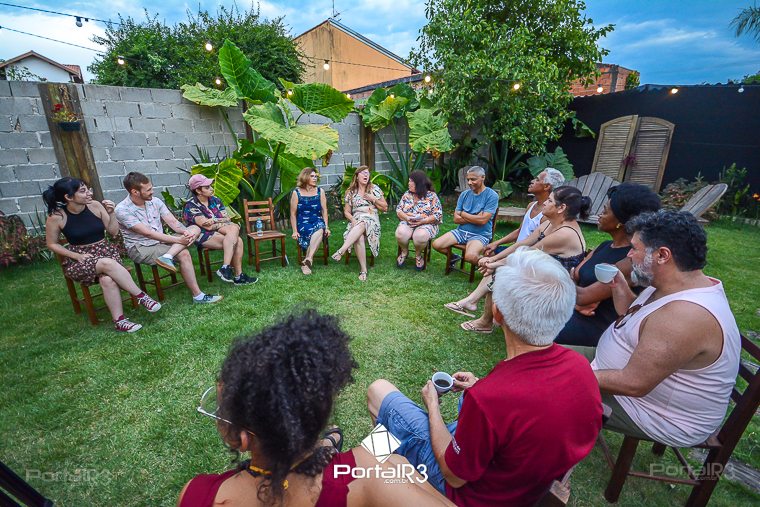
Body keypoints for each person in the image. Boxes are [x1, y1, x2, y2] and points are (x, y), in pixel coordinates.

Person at [367, 248, 602, 506]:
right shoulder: (581, 367)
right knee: (431, 417)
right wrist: (479, 387)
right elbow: (525, 409)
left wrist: (433, 406)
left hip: (467, 494)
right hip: (520, 481)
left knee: (378, 392)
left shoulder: (489, 400)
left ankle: (382, 466)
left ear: (497, 313)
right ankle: (387, 459)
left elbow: (454, 475)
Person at [178, 310, 454, 507]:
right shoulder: (367, 472)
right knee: (393, 460)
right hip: (360, 472)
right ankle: (328, 446)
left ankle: (329, 445)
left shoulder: (196, 495)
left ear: (240, 439)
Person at [591, 210, 741, 447]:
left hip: (654, 414)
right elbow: (640, 320)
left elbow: (634, 383)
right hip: (615, 373)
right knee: (542, 357)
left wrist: (571, 374)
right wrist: (619, 287)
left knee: (548, 386)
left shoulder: (686, 315)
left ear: (662, 255)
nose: (629, 255)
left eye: (635, 248)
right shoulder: (674, 283)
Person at [457, 185, 590, 333]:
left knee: (500, 272)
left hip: (556, 287)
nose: (545, 203)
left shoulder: (565, 234)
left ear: (561, 208)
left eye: (550, 201)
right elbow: (523, 243)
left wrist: (494, 264)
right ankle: (479, 310)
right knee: (499, 270)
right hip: (544, 275)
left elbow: (526, 253)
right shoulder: (549, 223)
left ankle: (483, 316)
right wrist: (494, 260)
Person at [42, 177, 161, 332]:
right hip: (80, 258)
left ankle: (120, 322)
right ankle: (142, 297)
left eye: (88, 189)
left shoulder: (95, 206)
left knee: (107, 279)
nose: (89, 193)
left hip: (105, 250)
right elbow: (52, 244)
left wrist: (111, 213)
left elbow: (113, 232)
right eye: (83, 191)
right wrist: (75, 256)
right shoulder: (57, 216)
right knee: (107, 263)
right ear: (69, 197)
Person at [443, 168, 564, 317]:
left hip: (527, 256)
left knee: (493, 263)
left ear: (547, 186)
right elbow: (519, 231)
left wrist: (499, 258)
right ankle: (483, 298)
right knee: (489, 253)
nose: (532, 181)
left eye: (537, 179)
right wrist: (496, 243)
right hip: (517, 249)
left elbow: (533, 245)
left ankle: (475, 301)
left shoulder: (547, 215)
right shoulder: (531, 205)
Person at [555, 183, 661, 348]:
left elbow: (583, 296)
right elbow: (574, 275)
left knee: (530, 326)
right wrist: (575, 300)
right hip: (572, 312)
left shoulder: (631, 259)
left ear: (621, 221)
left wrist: (575, 294)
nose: (599, 214)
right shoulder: (604, 246)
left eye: (605, 211)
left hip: (595, 328)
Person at [114, 172, 222, 304]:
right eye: (148, 190)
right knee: (183, 253)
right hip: (141, 247)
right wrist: (179, 240)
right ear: (135, 192)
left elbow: (173, 222)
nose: (152, 192)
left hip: (161, 241)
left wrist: (186, 233)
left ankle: (167, 256)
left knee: (195, 228)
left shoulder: (155, 201)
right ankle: (198, 296)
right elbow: (148, 233)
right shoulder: (122, 209)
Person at [183, 174, 257, 285]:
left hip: (220, 231)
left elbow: (227, 218)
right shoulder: (191, 206)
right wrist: (221, 222)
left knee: (233, 229)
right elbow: (206, 226)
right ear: (198, 190)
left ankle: (225, 268)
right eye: (207, 187)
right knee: (237, 239)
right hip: (204, 235)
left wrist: (214, 220)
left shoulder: (215, 200)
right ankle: (237, 276)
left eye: (210, 186)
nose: (211, 189)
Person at [432, 166, 499, 265]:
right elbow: (456, 219)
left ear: (483, 177)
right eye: (468, 179)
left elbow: (482, 221)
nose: (469, 182)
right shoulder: (464, 194)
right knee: (436, 244)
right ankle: (454, 257)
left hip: (480, 235)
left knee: (470, 256)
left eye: (473, 179)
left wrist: (463, 214)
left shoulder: (492, 195)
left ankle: (491, 265)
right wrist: (475, 217)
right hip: (461, 232)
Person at [331, 166, 388, 281]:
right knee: (359, 237)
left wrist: (373, 199)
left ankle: (341, 250)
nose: (366, 175)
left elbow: (385, 207)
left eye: (367, 173)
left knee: (363, 223)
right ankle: (363, 270)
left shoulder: (374, 189)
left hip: (371, 219)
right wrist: (352, 220)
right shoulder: (351, 192)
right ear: (357, 176)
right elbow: (346, 212)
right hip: (356, 219)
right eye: (363, 173)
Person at [395, 170, 443, 270]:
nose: (408, 183)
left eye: (410, 181)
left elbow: (438, 214)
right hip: (408, 221)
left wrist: (423, 221)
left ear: (418, 183)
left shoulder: (432, 196)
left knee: (420, 236)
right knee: (400, 233)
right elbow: (399, 210)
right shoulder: (407, 194)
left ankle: (418, 255)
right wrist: (407, 218)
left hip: (426, 223)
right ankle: (404, 252)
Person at [290, 168, 331, 275]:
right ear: (305, 177)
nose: (315, 178)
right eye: (312, 176)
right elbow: (293, 214)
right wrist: (294, 231)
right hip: (303, 223)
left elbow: (324, 210)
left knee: (320, 228)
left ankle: (308, 260)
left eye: (315, 176)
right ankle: (308, 261)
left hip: (317, 220)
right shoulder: (296, 193)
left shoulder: (320, 191)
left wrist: (327, 227)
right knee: (317, 231)